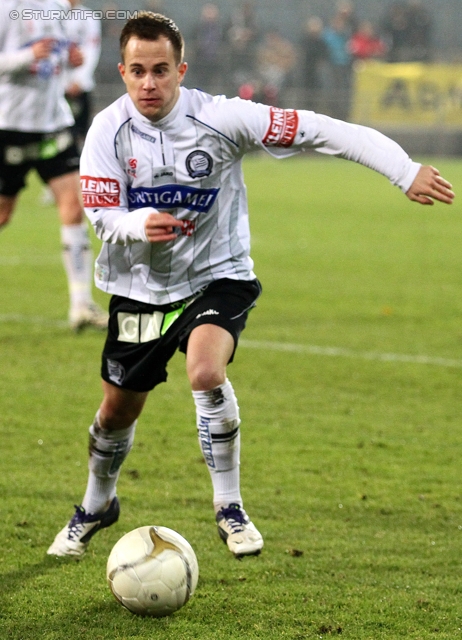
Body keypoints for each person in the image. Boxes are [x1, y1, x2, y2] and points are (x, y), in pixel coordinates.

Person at [47, 11, 454, 559]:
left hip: (219, 275)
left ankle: (229, 507)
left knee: (205, 370)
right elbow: (102, 217)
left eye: (161, 70)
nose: (150, 83)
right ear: (120, 72)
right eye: (138, 70)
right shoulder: (107, 132)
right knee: (117, 411)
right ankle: (97, 503)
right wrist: (141, 224)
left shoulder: (225, 117)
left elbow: (325, 129)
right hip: (140, 287)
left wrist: (403, 170)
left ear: (181, 70)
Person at [0, 0, 107, 331]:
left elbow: (54, 58)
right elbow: (18, 58)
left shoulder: (59, 9)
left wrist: (68, 59)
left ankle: (81, 305)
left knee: (74, 206)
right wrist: (28, 57)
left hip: (51, 124)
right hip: (9, 126)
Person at [64, 0, 101, 151]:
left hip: (81, 87)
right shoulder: (50, 15)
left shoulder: (88, 17)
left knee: (82, 131)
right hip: (56, 88)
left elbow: (92, 51)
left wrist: (79, 80)